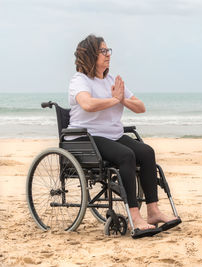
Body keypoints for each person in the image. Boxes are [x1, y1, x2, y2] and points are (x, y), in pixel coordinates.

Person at [67, 34, 180, 238]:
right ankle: (135, 216)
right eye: (103, 51)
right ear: (90, 54)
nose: (108, 54)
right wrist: (114, 99)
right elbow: (87, 104)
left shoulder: (112, 80)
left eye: (108, 50)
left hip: (113, 135)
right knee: (126, 155)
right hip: (88, 137)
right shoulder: (80, 80)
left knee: (146, 152)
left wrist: (123, 100)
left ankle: (153, 211)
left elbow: (141, 107)